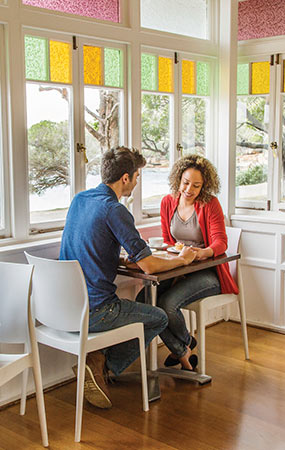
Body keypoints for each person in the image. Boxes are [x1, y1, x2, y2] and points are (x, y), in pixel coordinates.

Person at [59, 146, 197, 409]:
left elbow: (88, 247)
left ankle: (98, 364)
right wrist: (182, 259)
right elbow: (148, 266)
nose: (136, 181)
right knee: (158, 317)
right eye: (137, 176)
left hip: (63, 307)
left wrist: (120, 260)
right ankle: (102, 365)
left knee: (148, 310)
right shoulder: (115, 209)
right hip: (96, 311)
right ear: (125, 178)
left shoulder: (80, 200)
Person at [137, 155, 238, 371]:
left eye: (196, 185)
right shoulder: (168, 202)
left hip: (208, 273)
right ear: (178, 179)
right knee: (144, 300)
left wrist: (203, 253)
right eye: (185, 182)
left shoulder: (210, 204)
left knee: (168, 304)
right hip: (179, 268)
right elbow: (167, 240)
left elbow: (221, 242)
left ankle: (181, 346)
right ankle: (185, 346)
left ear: (205, 185)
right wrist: (178, 258)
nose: (189, 189)